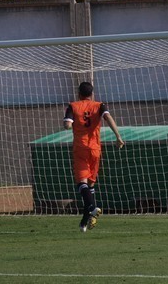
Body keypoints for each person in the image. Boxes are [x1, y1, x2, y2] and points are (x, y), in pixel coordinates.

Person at [63, 81, 124, 233]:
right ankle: (85, 221)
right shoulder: (99, 105)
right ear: (92, 94)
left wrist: (72, 121)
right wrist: (118, 136)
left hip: (81, 148)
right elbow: (108, 117)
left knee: (81, 184)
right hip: (95, 149)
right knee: (90, 186)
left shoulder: (73, 106)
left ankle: (92, 208)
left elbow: (67, 126)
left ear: (78, 93)